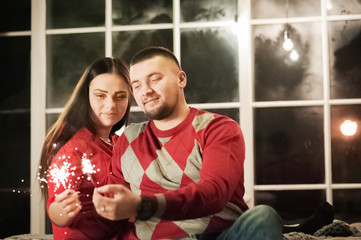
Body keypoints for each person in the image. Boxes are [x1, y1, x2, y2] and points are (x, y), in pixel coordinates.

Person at [92, 46, 284, 240]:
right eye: (137, 85)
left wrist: (144, 205)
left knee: (264, 217)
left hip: (219, 236)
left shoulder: (218, 128)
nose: (146, 91)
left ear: (181, 79)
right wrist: (62, 217)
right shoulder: (128, 139)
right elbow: (113, 210)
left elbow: (214, 194)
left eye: (155, 79)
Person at [38, 57, 133, 240]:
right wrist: (59, 212)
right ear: (86, 95)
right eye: (100, 95)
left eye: (120, 96)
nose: (111, 105)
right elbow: (56, 204)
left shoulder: (119, 142)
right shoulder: (74, 147)